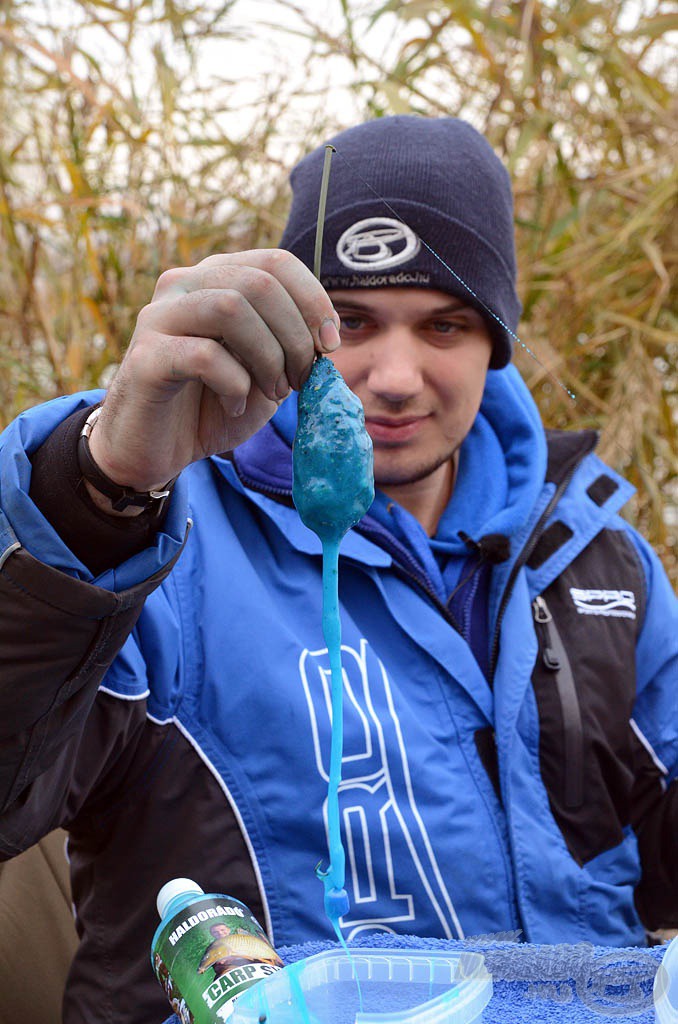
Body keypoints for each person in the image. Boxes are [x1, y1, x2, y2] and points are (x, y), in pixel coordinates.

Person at [0, 116, 675, 1024]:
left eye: (446, 325)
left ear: (496, 342)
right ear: (285, 329)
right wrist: (97, 493)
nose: (394, 376)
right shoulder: (160, 547)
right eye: (350, 321)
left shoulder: (600, 557)